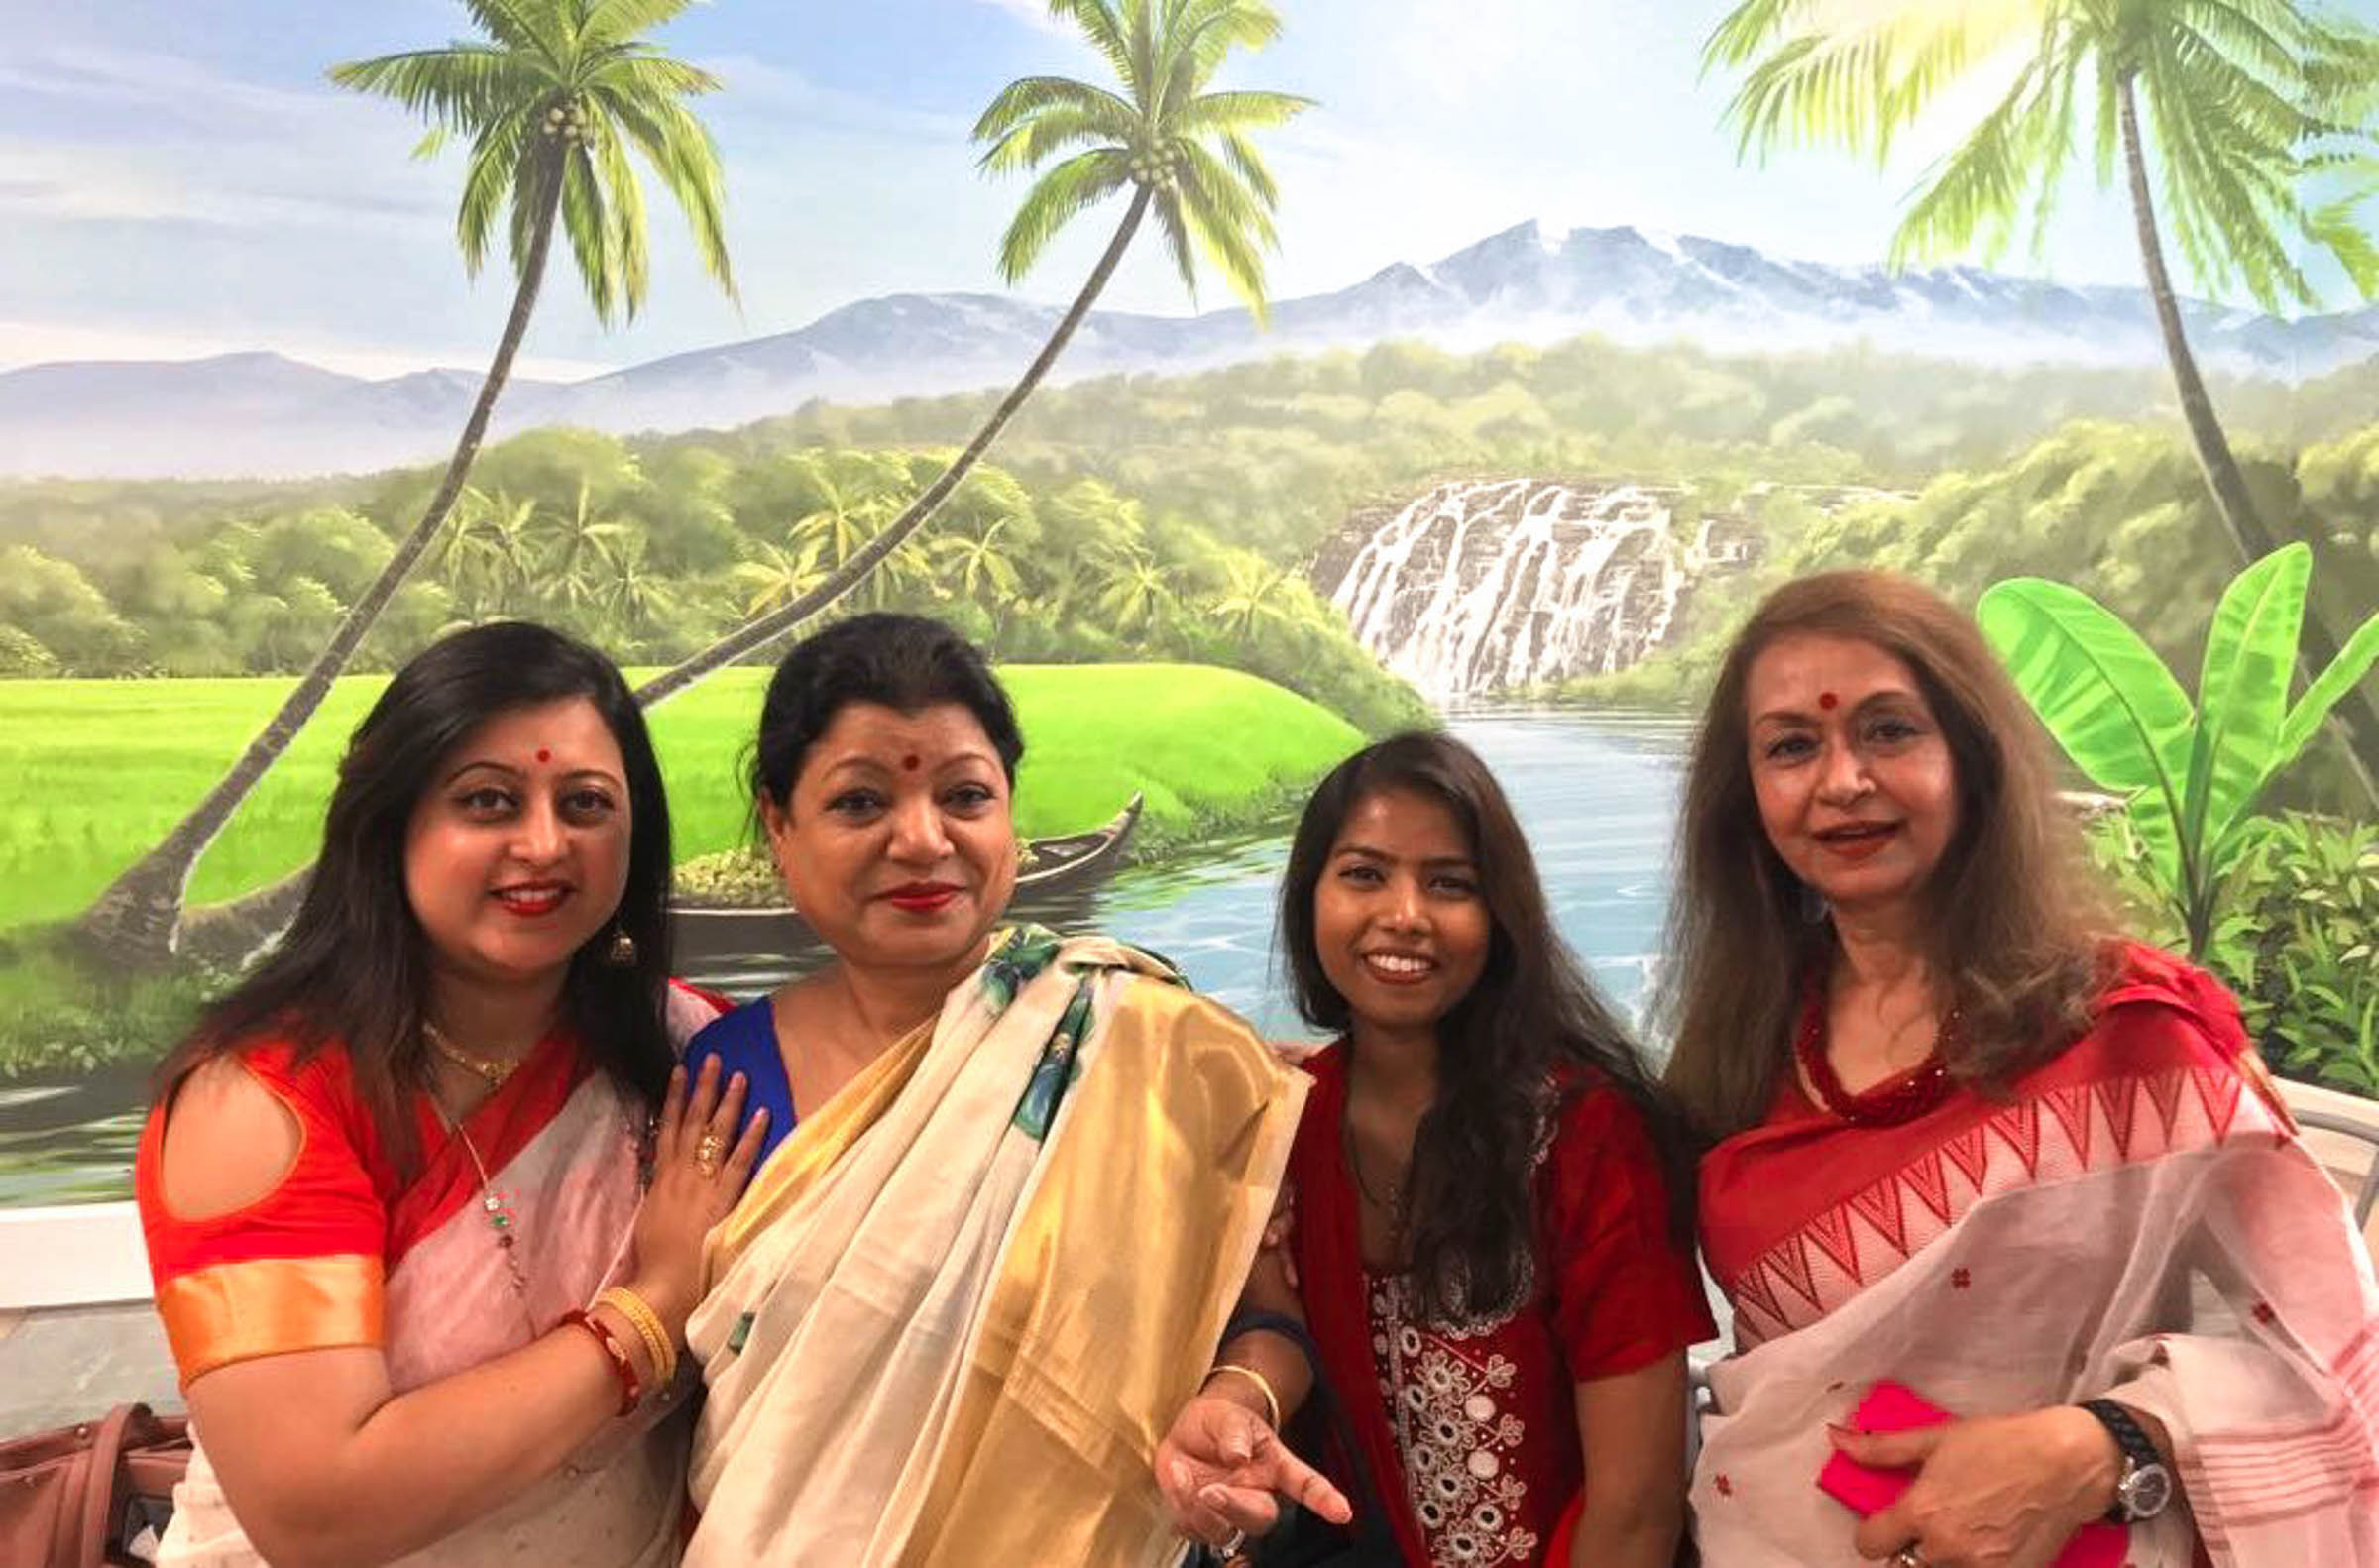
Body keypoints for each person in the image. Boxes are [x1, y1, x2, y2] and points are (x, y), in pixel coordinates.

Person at [1662, 570, 2379, 1566]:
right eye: (1792, 746)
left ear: (1973, 756)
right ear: (1748, 798)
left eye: (1889, 730)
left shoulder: (2129, 1035)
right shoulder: (1741, 1045)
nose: (1841, 781)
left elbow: (2340, 1362)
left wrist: (2103, 1441)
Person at [676, 612, 1309, 1567]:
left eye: (966, 796)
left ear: (1009, 809)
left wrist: (1237, 1403)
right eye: (859, 803)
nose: (923, 841)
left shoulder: (1143, 1038)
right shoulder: (725, 1072)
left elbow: (1271, 1320)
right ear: (779, 822)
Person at [134, 621, 766, 1567]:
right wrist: (654, 1303)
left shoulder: (692, 1054)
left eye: (587, 803)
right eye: (488, 801)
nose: (545, 843)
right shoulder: (261, 1108)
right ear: (391, 827)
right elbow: (318, 1515)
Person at [1154, 731, 1715, 1567]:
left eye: (1450, 884)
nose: (1405, 915)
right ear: (1311, 899)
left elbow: (1634, 1511)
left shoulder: (1588, 1137)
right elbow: (1280, 1338)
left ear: (1500, 919)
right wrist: (1241, 1405)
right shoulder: (1283, 1119)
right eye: (1365, 874)